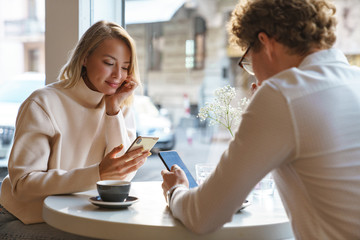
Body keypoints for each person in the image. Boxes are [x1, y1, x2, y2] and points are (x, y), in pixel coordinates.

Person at [161, 0, 360, 239]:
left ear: (265, 44)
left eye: (248, 59)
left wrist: (175, 191)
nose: (252, 70)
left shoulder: (282, 94)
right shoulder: (354, 79)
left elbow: (203, 215)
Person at [0, 20, 150, 239]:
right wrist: (97, 173)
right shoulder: (43, 103)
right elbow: (23, 185)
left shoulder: (119, 105)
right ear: (85, 58)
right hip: (26, 217)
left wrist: (113, 111)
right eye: (109, 62)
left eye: (126, 67)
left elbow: (122, 175)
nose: (118, 75)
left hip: (81, 215)